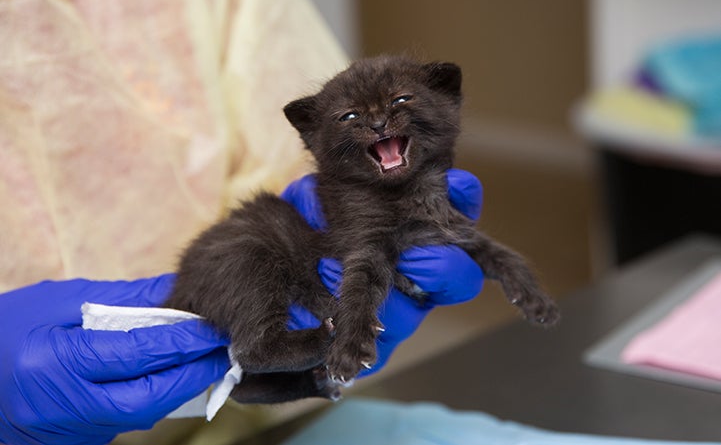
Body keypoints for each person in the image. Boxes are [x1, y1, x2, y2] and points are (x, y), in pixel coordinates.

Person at [0, 169, 485, 445]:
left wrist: (339, 346)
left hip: (249, 427)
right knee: (256, 309)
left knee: (259, 359)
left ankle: (280, 369)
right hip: (239, 277)